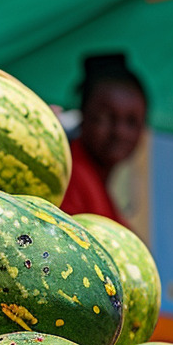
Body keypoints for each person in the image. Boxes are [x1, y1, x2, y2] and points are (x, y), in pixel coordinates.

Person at [60, 54, 148, 226]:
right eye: (107, 118)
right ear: (84, 114)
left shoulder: (98, 187)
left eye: (131, 121)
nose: (119, 132)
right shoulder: (68, 177)